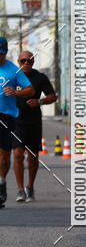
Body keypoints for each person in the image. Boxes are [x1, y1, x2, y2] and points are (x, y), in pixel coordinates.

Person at [13, 50, 57, 202]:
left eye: (29, 61)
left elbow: (53, 96)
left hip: (34, 122)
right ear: (18, 61)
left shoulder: (40, 77)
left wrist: (39, 102)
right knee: (18, 154)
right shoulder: (12, 77)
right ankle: (20, 190)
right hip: (16, 121)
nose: (26, 63)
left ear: (33, 62)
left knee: (33, 157)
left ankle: (30, 186)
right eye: (23, 60)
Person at [0, 37, 34, 208]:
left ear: (5, 53)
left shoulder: (13, 70)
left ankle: (2, 181)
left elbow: (30, 89)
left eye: (0, 54)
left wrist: (15, 92)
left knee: (5, 155)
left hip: (7, 116)